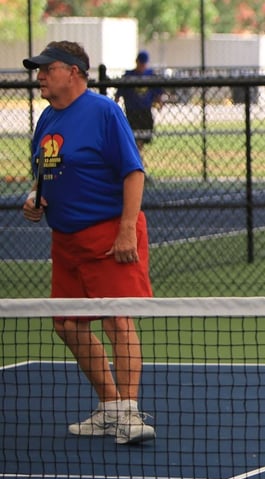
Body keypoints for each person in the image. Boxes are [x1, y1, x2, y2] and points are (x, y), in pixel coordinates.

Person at [20, 41, 155, 445]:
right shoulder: (46, 120)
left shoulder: (104, 112)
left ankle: (129, 414)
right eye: (38, 70)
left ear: (74, 72)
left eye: (47, 68)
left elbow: (134, 172)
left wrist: (127, 228)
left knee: (117, 319)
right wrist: (33, 198)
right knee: (66, 325)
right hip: (66, 241)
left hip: (110, 235)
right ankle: (110, 407)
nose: (40, 76)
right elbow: (44, 175)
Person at [115, 50, 164, 155]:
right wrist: (116, 103)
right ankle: (137, 156)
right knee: (133, 135)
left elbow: (157, 92)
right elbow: (119, 92)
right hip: (132, 110)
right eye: (140, 63)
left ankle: (138, 155)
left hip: (145, 110)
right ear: (136, 62)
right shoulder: (129, 75)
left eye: (144, 63)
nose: (142, 66)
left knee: (144, 134)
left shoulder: (150, 75)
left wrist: (159, 102)